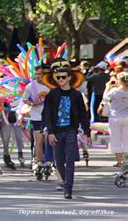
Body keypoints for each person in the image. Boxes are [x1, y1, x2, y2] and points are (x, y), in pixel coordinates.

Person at [44, 67, 91, 199]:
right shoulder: (52, 94)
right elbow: (48, 114)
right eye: (58, 77)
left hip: (70, 130)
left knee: (70, 159)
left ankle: (68, 188)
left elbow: (83, 114)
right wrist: (50, 132)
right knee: (58, 161)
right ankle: (65, 182)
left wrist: (87, 131)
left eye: (63, 77)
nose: (60, 80)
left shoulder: (76, 95)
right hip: (56, 131)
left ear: (69, 78)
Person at [22, 66, 50, 179]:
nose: (38, 76)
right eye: (37, 74)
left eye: (41, 74)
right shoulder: (30, 86)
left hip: (48, 117)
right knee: (38, 140)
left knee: (46, 139)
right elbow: (25, 99)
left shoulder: (50, 85)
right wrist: (32, 104)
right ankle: (39, 162)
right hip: (36, 116)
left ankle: (48, 160)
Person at [106, 72, 128, 167]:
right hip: (126, 117)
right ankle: (127, 160)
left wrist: (108, 87)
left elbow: (105, 98)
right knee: (126, 139)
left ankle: (119, 161)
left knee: (115, 139)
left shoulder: (114, 91)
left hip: (115, 117)